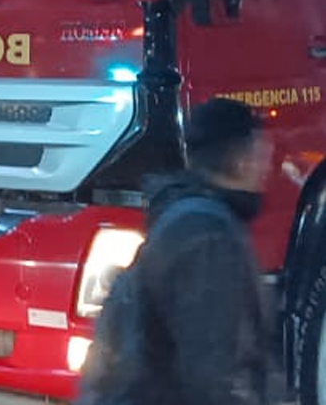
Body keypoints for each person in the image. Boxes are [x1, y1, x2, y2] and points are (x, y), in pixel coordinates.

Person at [77, 96, 273, 405]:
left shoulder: (183, 217)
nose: (267, 165)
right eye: (263, 152)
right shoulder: (208, 237)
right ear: (241, 160)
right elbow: (213, 377)